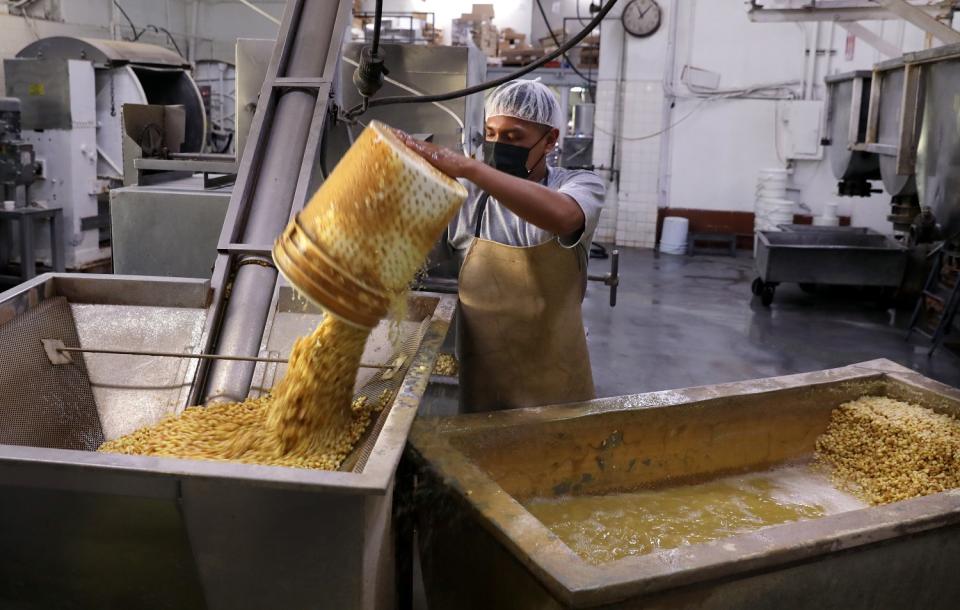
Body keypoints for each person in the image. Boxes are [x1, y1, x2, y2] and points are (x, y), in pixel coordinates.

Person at [395, 79, 605, 413]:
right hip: (485, 376)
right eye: (491, 134)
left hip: (558, 376)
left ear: (550, 139)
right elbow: (413, 256)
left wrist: (470, 168)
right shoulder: (468, 196)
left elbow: (563, 217)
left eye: (513, 137)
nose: (497, 146)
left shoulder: (579, 185)